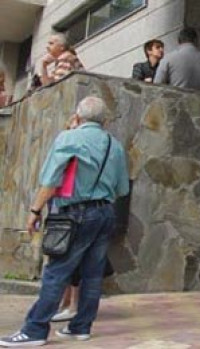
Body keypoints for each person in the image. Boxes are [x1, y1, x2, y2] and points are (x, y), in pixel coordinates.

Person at [0, 96, 130, 347]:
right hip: (105, 213)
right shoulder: (115, 145)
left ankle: (34, 330)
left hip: (75, 213)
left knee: (56, 272)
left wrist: (35, 210)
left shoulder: (68, 138)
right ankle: (80, 327)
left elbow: (50, 179)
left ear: (78, 116)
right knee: (92, 275)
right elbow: (122, 188)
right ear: (104, 120)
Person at [153, 27, 200, 92]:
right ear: (196, 41)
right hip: (199, 101)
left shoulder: (168, 59)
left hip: (176, 100)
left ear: (178, 41)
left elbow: (156, 88)